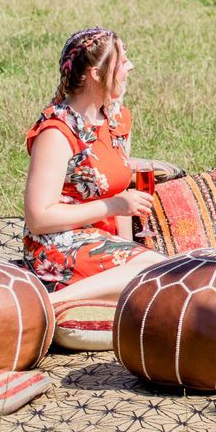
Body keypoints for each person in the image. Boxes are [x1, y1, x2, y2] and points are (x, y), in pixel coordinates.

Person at [22, 28, 167, 304]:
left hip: (100, 242)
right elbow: (38, 219)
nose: (130, 66)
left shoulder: (117, 120)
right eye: (122, 61)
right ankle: (48, 304)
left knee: (161, 275)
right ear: (97, 74)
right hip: (58, 246)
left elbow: (120, 192)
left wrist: (128, 248)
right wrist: (114, 206)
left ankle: (104, 295)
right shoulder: (57, 131)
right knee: (155, 272)